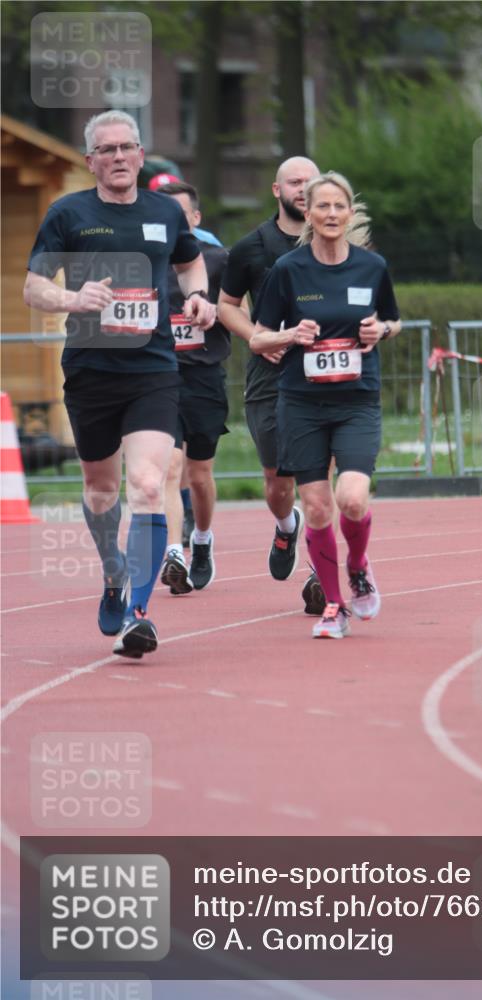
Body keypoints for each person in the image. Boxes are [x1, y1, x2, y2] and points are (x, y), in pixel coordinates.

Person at [23, 110, 215, 658]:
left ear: (139, 153)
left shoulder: (163, 212)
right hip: (91, 370)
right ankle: (113, 574)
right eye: (106, 150)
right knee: (102, 490)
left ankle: (138, 612)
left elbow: (190, 265)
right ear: (91, 162)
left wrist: (198, 297)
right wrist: (72, 299)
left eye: (127, 147)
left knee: (151, 484)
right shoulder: (68, 214)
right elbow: (34, 287)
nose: (118, 157)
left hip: (154, 369)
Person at [250, 171, 401, 639]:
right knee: (316, 510)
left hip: (356, 401)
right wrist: (291, 335)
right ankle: (333, 605)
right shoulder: (288, 271)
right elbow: (258, 338)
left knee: (351, 499)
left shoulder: (371, 267)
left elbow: (393, 320)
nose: (331, 214)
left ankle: (358, 565)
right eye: (323, 207)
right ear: (308, 215)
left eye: (340, 207)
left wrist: (383, 331)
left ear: (349, 213)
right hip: (301, 403)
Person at [219, 156, 326, 616]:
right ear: (276, 190)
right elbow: (226, 305)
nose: (304, 189)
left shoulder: (337, 241)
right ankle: (286, 527)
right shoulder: (252, 247)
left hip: (325, 372)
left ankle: (322, 573)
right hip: (272, 374)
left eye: (311, 182)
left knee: (321, 477)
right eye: (295, 182)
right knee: (277, 480)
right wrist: (257, 339)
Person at [155, 181, 230, 594]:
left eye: (180, 217)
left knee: (199, 475)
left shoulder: (218, 261)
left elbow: (239, 313)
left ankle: (201, 539)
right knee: (169, 466)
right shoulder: (144, 262)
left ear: (196, 219)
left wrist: (218, 312)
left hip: (204, 378)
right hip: (158, 379)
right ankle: (173, 553)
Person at [148, 174, 223, 248]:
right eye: (164, 213)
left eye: (181, 214)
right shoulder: (144, 241)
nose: (172, 219)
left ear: (196, 217)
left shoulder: (208, 242)